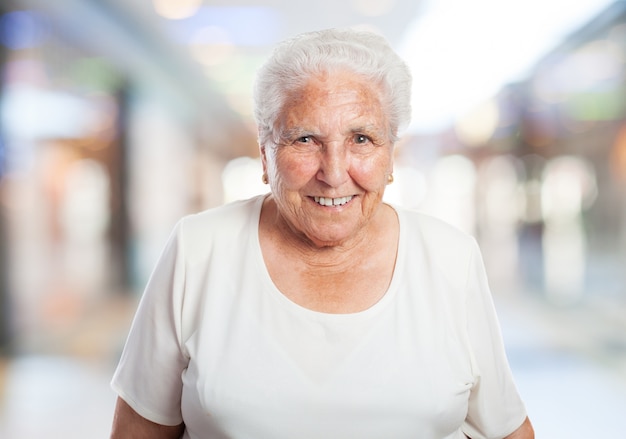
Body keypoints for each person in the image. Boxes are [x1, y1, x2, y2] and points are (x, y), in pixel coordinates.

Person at [110, 28, 534, 439]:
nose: (333, 174)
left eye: (362, 139)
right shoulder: (197, 250)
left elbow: (506, 430)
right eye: (306, 139)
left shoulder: (450, 257)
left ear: (389, 156)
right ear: (265, 153)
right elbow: (137, 432)